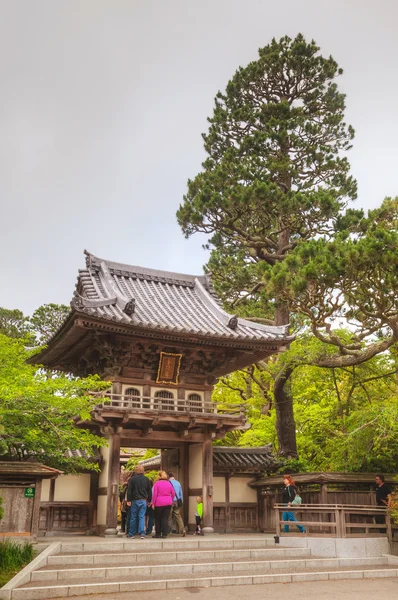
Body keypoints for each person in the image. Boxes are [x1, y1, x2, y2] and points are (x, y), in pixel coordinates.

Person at [126, 465, 152, 539]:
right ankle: (142, 533)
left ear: (136, 471)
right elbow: (149, 491)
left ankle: (131, 533)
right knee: (141, 517)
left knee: (133, 517)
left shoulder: (132, 479)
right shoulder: (147, 479)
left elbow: (129, 490)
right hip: (143, 500)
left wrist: (128, 500)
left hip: (134, 500)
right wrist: (149, 500)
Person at [151, 470, 175, 538]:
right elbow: (173, 493)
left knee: (158, 519)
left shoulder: (157, 484)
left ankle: (158, 534)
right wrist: (171, 499)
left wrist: (153, 503)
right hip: (168, 503)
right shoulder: (169, 483)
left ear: (159, 476)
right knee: (165, 518)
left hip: (159, 503)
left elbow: (155, 494)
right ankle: (164, 534)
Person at [168, 472, 186, 537]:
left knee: (169, 517)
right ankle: (183, 529)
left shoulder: (168, 483)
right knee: (178, 516)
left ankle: (168, 531)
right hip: (177, 501)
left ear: (168, 477)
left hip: (170, 501)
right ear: (173, 476)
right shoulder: (178, 483)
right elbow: (181, 494)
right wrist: (181, 502)